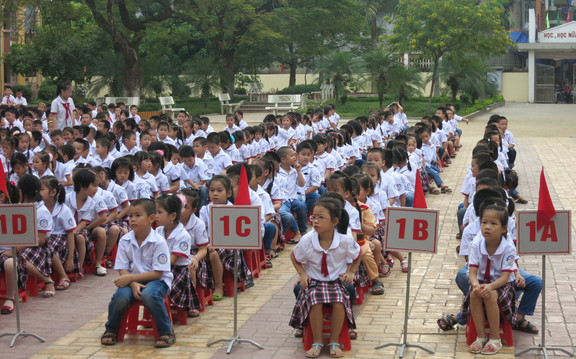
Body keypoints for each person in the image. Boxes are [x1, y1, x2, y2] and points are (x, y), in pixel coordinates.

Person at [289, 195, 361, 358]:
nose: (315, 221)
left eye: (321, 217)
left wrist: (351, 272)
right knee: (315, 300)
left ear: (334, 221)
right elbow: (294, 257)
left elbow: (358, 254)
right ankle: (317, 342)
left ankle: (334, 342)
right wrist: (302, 273)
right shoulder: (307, 240)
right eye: (314, 216)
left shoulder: (344, 240)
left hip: (336, 282)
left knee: (339, 301)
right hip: (314, 282)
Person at [100, 198, 176, 348]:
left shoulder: (159, 242)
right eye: (130, 216)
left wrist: (131, 278)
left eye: (138, 215)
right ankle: (111, 330)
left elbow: (158, 274)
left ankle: (166, 332)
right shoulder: (125, 240)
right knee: (120, 297)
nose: (132, 219)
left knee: (149, 295)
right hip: (131, 281)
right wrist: (133, 283)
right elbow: (122, 268)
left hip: (157, 281)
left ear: (151, 218)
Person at [464, 201, 517, 355]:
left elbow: (506, 276)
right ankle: (480, 337)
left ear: (504, 228)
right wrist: (475, 285)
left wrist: (490, 287)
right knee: (475, 294)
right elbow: (472, 272)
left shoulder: (508, 247)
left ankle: (495, 339)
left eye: (493, 223)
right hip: (481, 282)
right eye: (484, 222)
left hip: (502, 284)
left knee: (491, 295)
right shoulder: (476, 244)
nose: (487, 227)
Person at [156, 194, 201, 318]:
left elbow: (173, 260)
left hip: (177, 271)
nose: (156, 216)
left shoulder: (183, 235)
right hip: (162, 267)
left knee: (158, 285)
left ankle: (164, 312)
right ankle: (155, 310)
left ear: (172, 216)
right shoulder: (158, 231)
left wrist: (154, 269)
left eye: (160, 212)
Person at [40, 176, 77, 288]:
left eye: (41, 189)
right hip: (45, 237)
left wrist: (70, 258)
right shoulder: (39, 208)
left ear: (53, 192)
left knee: (47, 245)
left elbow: (70, 233)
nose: (38, 192)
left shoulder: (64, 210)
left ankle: (63, 276)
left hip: (60, 239)